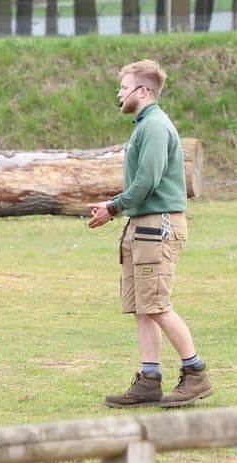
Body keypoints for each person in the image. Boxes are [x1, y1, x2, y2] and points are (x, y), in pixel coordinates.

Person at [88, 59, 214, 408]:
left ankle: (195, 373)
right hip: (142, 226)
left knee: (157, 304)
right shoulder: (143, 125)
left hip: (156, 227)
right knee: (144, 306)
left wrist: (113, 207)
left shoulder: (155, 127)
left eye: (124, 87)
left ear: (143, 91)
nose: (119, 92)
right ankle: (149, 379)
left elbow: (147, 181)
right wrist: (117, 208)